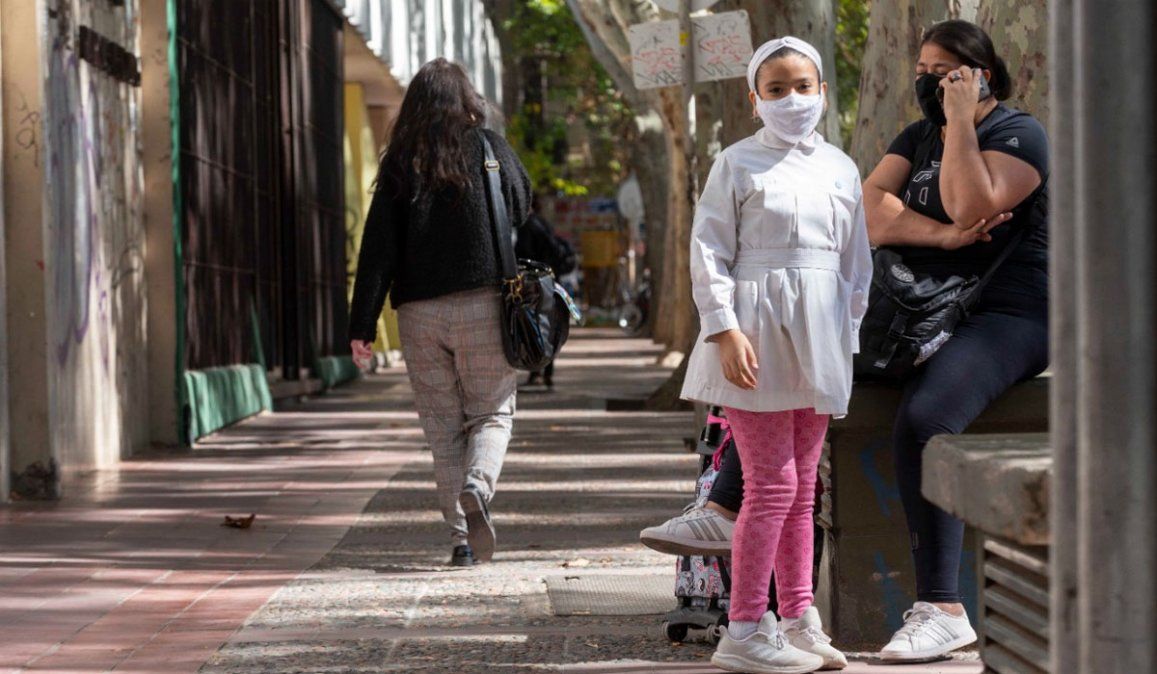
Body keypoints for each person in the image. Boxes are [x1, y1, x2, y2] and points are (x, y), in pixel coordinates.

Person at [680, 36, 872, 673]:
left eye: (803, 86)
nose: (792, 99)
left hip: (818, 338)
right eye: (777, 89)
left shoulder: (841, 167)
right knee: (772, 485)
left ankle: (797, 618)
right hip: (755, 335)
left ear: (823, 91)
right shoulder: (736, 163)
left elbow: (855, 263)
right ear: (754, 98)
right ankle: (743, 627)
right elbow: (708, 250)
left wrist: (846, 337)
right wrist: (723, 328)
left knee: (803, 488)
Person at [862, 20, 1049, 662]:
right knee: (811, 370)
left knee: (925, 418)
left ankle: (942, 609)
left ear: (980, 77)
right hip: (922, 305)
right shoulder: (917, 137)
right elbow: (869, 211)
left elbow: (973, 206)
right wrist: (939, 236)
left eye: (944, 74)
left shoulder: (1018, 133)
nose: (928, 83)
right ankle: (726, 510)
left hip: (1007, 314)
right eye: (921, 71)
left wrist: (963, 122)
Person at [348, 58, 532, 568]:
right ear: (467, 101)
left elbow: (377, 249)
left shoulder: (400, 161)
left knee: (442, 428)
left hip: (418, 314)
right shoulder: (489, 148)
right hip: (483, 305)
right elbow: (522, 204)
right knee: (491, 412)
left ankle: (462, 541)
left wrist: (362, 325)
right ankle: (479, 485)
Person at [514, 195, 576, 389]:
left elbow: (522, 254)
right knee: (547, 325)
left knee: (531, 326)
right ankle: (546, 373)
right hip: (550, 281)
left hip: (533, 283)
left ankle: (536, 371)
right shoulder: (543, 224)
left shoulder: (527, 226)